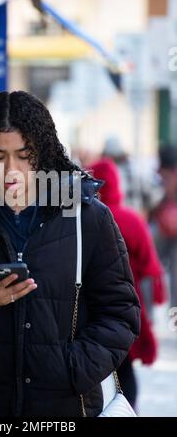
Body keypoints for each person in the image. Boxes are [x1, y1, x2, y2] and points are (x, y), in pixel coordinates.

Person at [0, 91, 140, 418]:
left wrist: (71, 369)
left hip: (65, 411)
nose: (11, 170)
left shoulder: (87, 217)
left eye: (24, 155)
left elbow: (121, 314)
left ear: (43, 151)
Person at [88, 157, 166, 409]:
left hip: (92, 306)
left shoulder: (84, 219)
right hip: (128, 304)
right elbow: (150, 265)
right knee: (126, 366)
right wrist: (156, 298)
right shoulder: (130, 220)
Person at [149, 144, 177, 308]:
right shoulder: (166, 174)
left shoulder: (162, 175)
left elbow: (155, 202)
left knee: (151, 266)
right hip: (164, 228)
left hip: (163, 227)